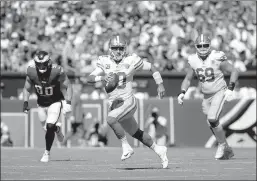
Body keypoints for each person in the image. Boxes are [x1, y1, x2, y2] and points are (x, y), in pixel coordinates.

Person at [87, 34, 169, 169]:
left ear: (125, 49)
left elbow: (152, 67)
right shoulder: (104, 61)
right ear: (110, 49)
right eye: (115, 48)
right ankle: (159, 150)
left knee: (111, 119)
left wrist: (160, 84)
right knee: (136, 133)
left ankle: (126, 147)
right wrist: (101, 78)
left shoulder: (132, 59)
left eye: (120, 48)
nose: (118, 51)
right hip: (115, 104)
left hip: (128, 101)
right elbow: (89, 78)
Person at [177, 33, 239, 160]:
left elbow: (234, 71)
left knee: (212, 118)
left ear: (210, 45)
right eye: (200, 45)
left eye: (205, 45)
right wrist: (182, 92)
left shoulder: (216, 57)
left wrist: (230, 89)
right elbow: (188, 78)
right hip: (206, 96)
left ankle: (221, 145)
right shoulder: (193, 60)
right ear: (195, 46)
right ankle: (227, 149)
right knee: (211, 123)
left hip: (219, 91)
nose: (203, 48)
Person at [22, 50, 73, 162]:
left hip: (55, 102)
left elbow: (68, 85)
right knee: (47, 128)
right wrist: (25, 102)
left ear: (49, 62)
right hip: (41, 104)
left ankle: (47, 153)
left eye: (43, 63)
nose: (41, 66)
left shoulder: (56, 70)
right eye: (39, 64)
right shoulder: (31, 71)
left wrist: (68, 102)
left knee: (49, 126)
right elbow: (27, 88)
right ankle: (58, 129)